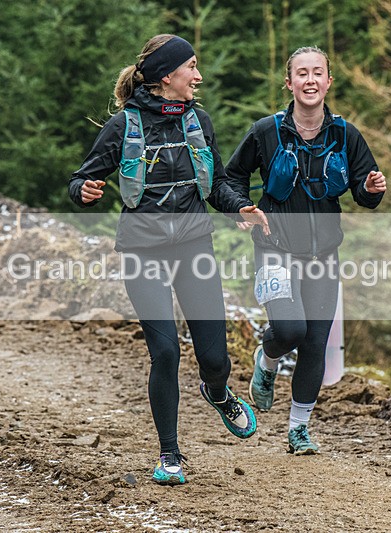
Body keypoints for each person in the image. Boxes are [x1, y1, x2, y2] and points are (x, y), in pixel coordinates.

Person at [68, 34, 264, 485]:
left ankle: (217, 392)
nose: (198, 75)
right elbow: (81, 178)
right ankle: (170, 455)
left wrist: (239, 207)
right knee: (166, 351)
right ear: (166, 76)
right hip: (142, 251)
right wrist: (84, 190)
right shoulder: (125, 125)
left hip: (194, 248)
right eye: (192, 67)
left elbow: (215, 185)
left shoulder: (199, 121)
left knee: (216, 359)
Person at [222, 46, 387, 455]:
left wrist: (370, 189)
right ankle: (268, 355)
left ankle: (298, 429)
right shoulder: (265, 131)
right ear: (289, 82)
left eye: (318, 73)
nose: (310, 80)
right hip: (275, 247)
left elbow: (365, 188)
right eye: (302, 73)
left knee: (315, 341)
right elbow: (230, 177)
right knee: (291, 330)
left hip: (323, 254)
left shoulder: (345, 134)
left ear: (329, 81)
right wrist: (240, 208)